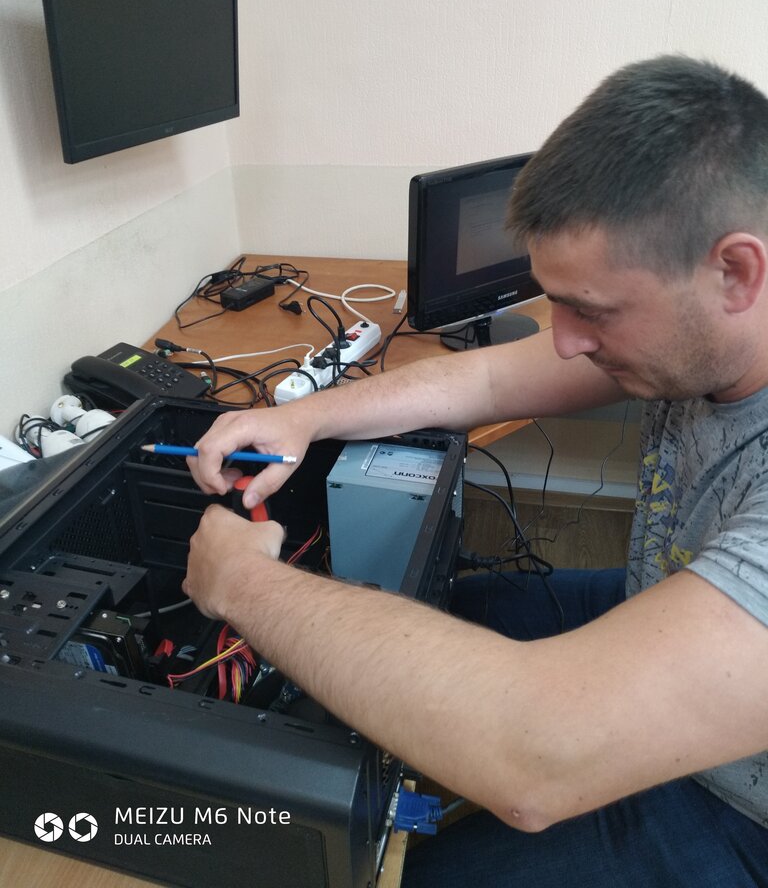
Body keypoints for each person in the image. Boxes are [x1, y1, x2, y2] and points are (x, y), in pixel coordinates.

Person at [183, 55, 768, 886]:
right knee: (439, 610)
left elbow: (535, 757)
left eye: (591, 310)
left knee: (426, 873)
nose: (564, 340)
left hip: (740, 808)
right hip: (668, 594)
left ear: (736, 272)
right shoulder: (707, 333)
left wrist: (244, 584)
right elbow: (490, 380)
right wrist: (302, 417)